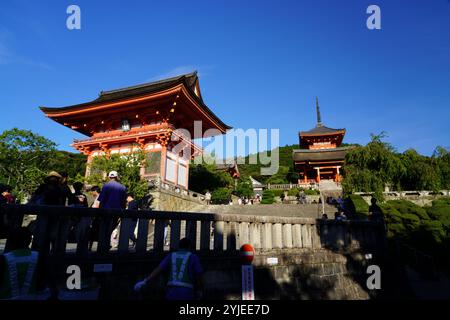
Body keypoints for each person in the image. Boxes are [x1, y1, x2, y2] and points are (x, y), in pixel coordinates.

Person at [134, 238, 203, 300]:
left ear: (179, 246)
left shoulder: (171, 255)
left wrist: (145, 281)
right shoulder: (193, 257)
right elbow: (199, 275)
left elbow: (158, 269)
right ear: (189, 247)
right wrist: (199, 289)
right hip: (187, 290)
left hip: (171, 290)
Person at [0, 227, 49, 299]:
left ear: (10, 241)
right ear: (30, 241)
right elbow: (42, 284)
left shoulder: (3, 259)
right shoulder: (38, 257)